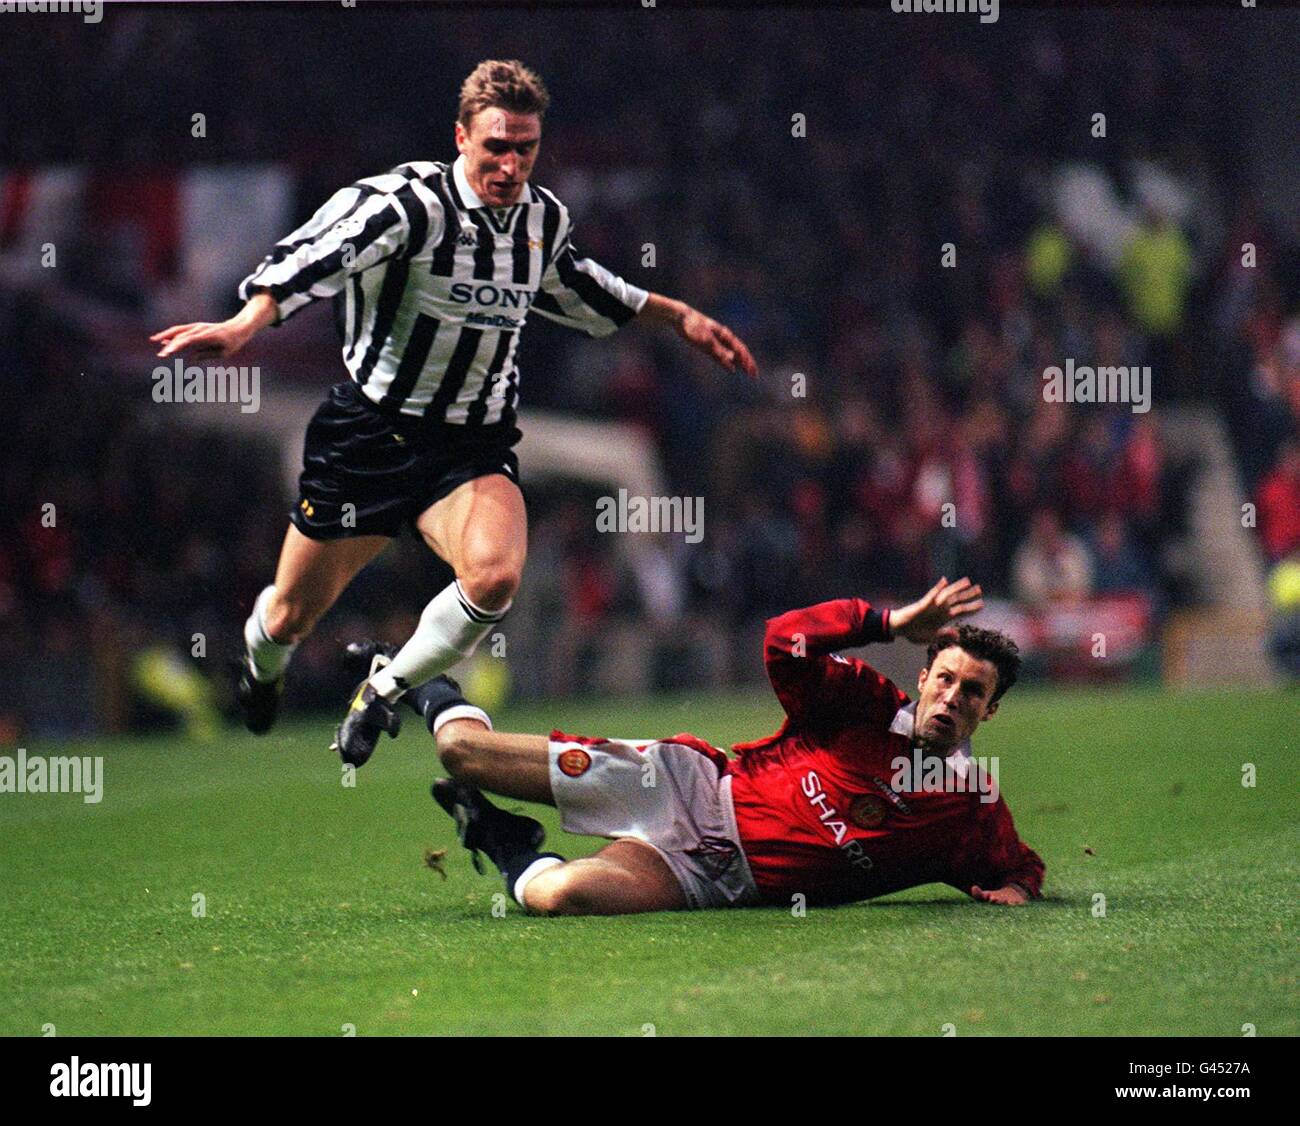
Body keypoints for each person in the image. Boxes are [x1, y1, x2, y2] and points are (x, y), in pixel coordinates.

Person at [149, 59, 757, 764]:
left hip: (469, 447)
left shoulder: (541, 221)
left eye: (525, 148)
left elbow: (588, 289)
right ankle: (261, 668)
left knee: (495, 575)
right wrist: (245, 324)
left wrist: (680, 318)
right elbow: (314, 258)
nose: (510, 163)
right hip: (370, 437)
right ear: (462, 137)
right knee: (289, 614)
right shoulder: (403, 205)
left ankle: (384, 688)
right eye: (496, 145)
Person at [357, 576, 1044, 914]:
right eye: (946, 680)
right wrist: (887, 622)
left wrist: (1015, 889)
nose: (953, 699)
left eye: (973, 693)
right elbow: (784, 640)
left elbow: (1019, 869)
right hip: (686, 790)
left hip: (716, 881)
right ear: (923, 678)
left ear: (992, 709)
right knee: (461, 757)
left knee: (563, 896)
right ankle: (411, 675)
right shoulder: (863, 703)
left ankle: (502, 840)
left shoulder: (970, 801)